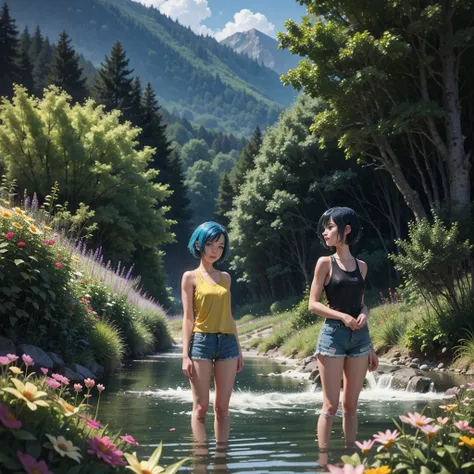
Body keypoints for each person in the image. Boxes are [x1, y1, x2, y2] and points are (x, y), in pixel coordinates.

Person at [308, 207, 379, 463]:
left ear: (346, 229)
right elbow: (313, 304)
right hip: (333, 337)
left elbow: (361, 303)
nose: (325, 233)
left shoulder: (362, 266)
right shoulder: (325, 263)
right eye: (324, 228)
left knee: (351, 407)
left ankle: (351, 459)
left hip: (360, 340)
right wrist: (342, 317)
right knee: (330, 405)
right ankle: (323, 461)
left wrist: (365, 317)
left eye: (330, 227)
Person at [181, 221, 244, 446]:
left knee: (223, 407)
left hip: (228, 343)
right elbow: (188, 318)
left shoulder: (226, 277)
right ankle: (200, 457)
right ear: (199, 244)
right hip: (201, 342)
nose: (215, 250)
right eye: (210, 244)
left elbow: (229, 315)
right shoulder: (190, 277)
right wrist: (185, 356)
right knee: (201, 406)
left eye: (220, 246)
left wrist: (239, 349)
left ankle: (221, 458)